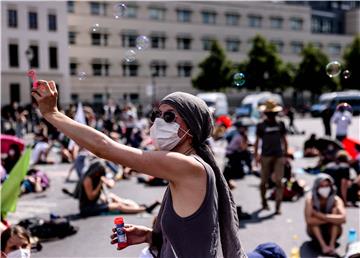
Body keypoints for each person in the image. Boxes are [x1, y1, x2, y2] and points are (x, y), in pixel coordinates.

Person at [31, 81, 246, 257]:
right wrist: (151, 236)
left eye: (169, 116)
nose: (159, 122)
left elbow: (105, 148)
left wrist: (52, 114)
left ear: (191, 126)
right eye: (156, 115)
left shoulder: (187, 165)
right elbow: (194, 236)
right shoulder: (187, 165)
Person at [75, 159, 159, 217]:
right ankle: (143, 209)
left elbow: (111, 185)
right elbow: (91, 197)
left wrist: (106, 182)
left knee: (112, 196)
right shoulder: (88, 180)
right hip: (87, 208)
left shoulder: (97, 177)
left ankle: (136, 206)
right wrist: (100, 183)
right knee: (118, 206)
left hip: (95, 202)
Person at [254, 100, 288, 214]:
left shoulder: (280, 124)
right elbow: (257, 141)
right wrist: (256, 156)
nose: (271, 115)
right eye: (269, 113)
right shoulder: (261, 125)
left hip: (278, 155)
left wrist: (286, 155)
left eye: (273, 113)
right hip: (265, 156)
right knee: (263, 182)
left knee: (279, 181)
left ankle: (278, 206)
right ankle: (264, 202)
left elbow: (284, 140)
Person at [304, 174, 346, 256]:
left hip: (333, 231)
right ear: (317, 187)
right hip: (314, 232)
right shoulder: (310, 200)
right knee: (313, 220)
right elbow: (309, 220)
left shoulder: (336, 199)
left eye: (327, 185)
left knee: (335, 211)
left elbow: (343, 218)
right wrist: (331, 219)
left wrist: (320, 215)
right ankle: (323, 245)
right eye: (322, 186)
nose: (325, 188)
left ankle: (332, 244)